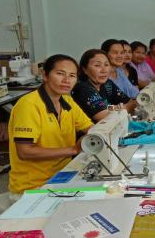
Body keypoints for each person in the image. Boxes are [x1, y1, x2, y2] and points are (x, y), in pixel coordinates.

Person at [8, 54, 93, 197]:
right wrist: (73, 149)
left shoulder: (67, 101)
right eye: (60, 73)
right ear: (45, 75)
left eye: (72, 75)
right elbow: (24, 152)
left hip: (62, 177)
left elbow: (90, 128)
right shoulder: (29, 105)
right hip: (33, 186)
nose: (66, 80)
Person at [72, 49, 136, 122]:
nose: (104, 70)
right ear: (85, 69)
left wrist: (121, 107)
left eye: (106, 65)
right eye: (97, 65)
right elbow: (102, 115)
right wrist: (128, 106)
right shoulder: (82, 88)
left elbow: (126, 101)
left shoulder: (107, 84)